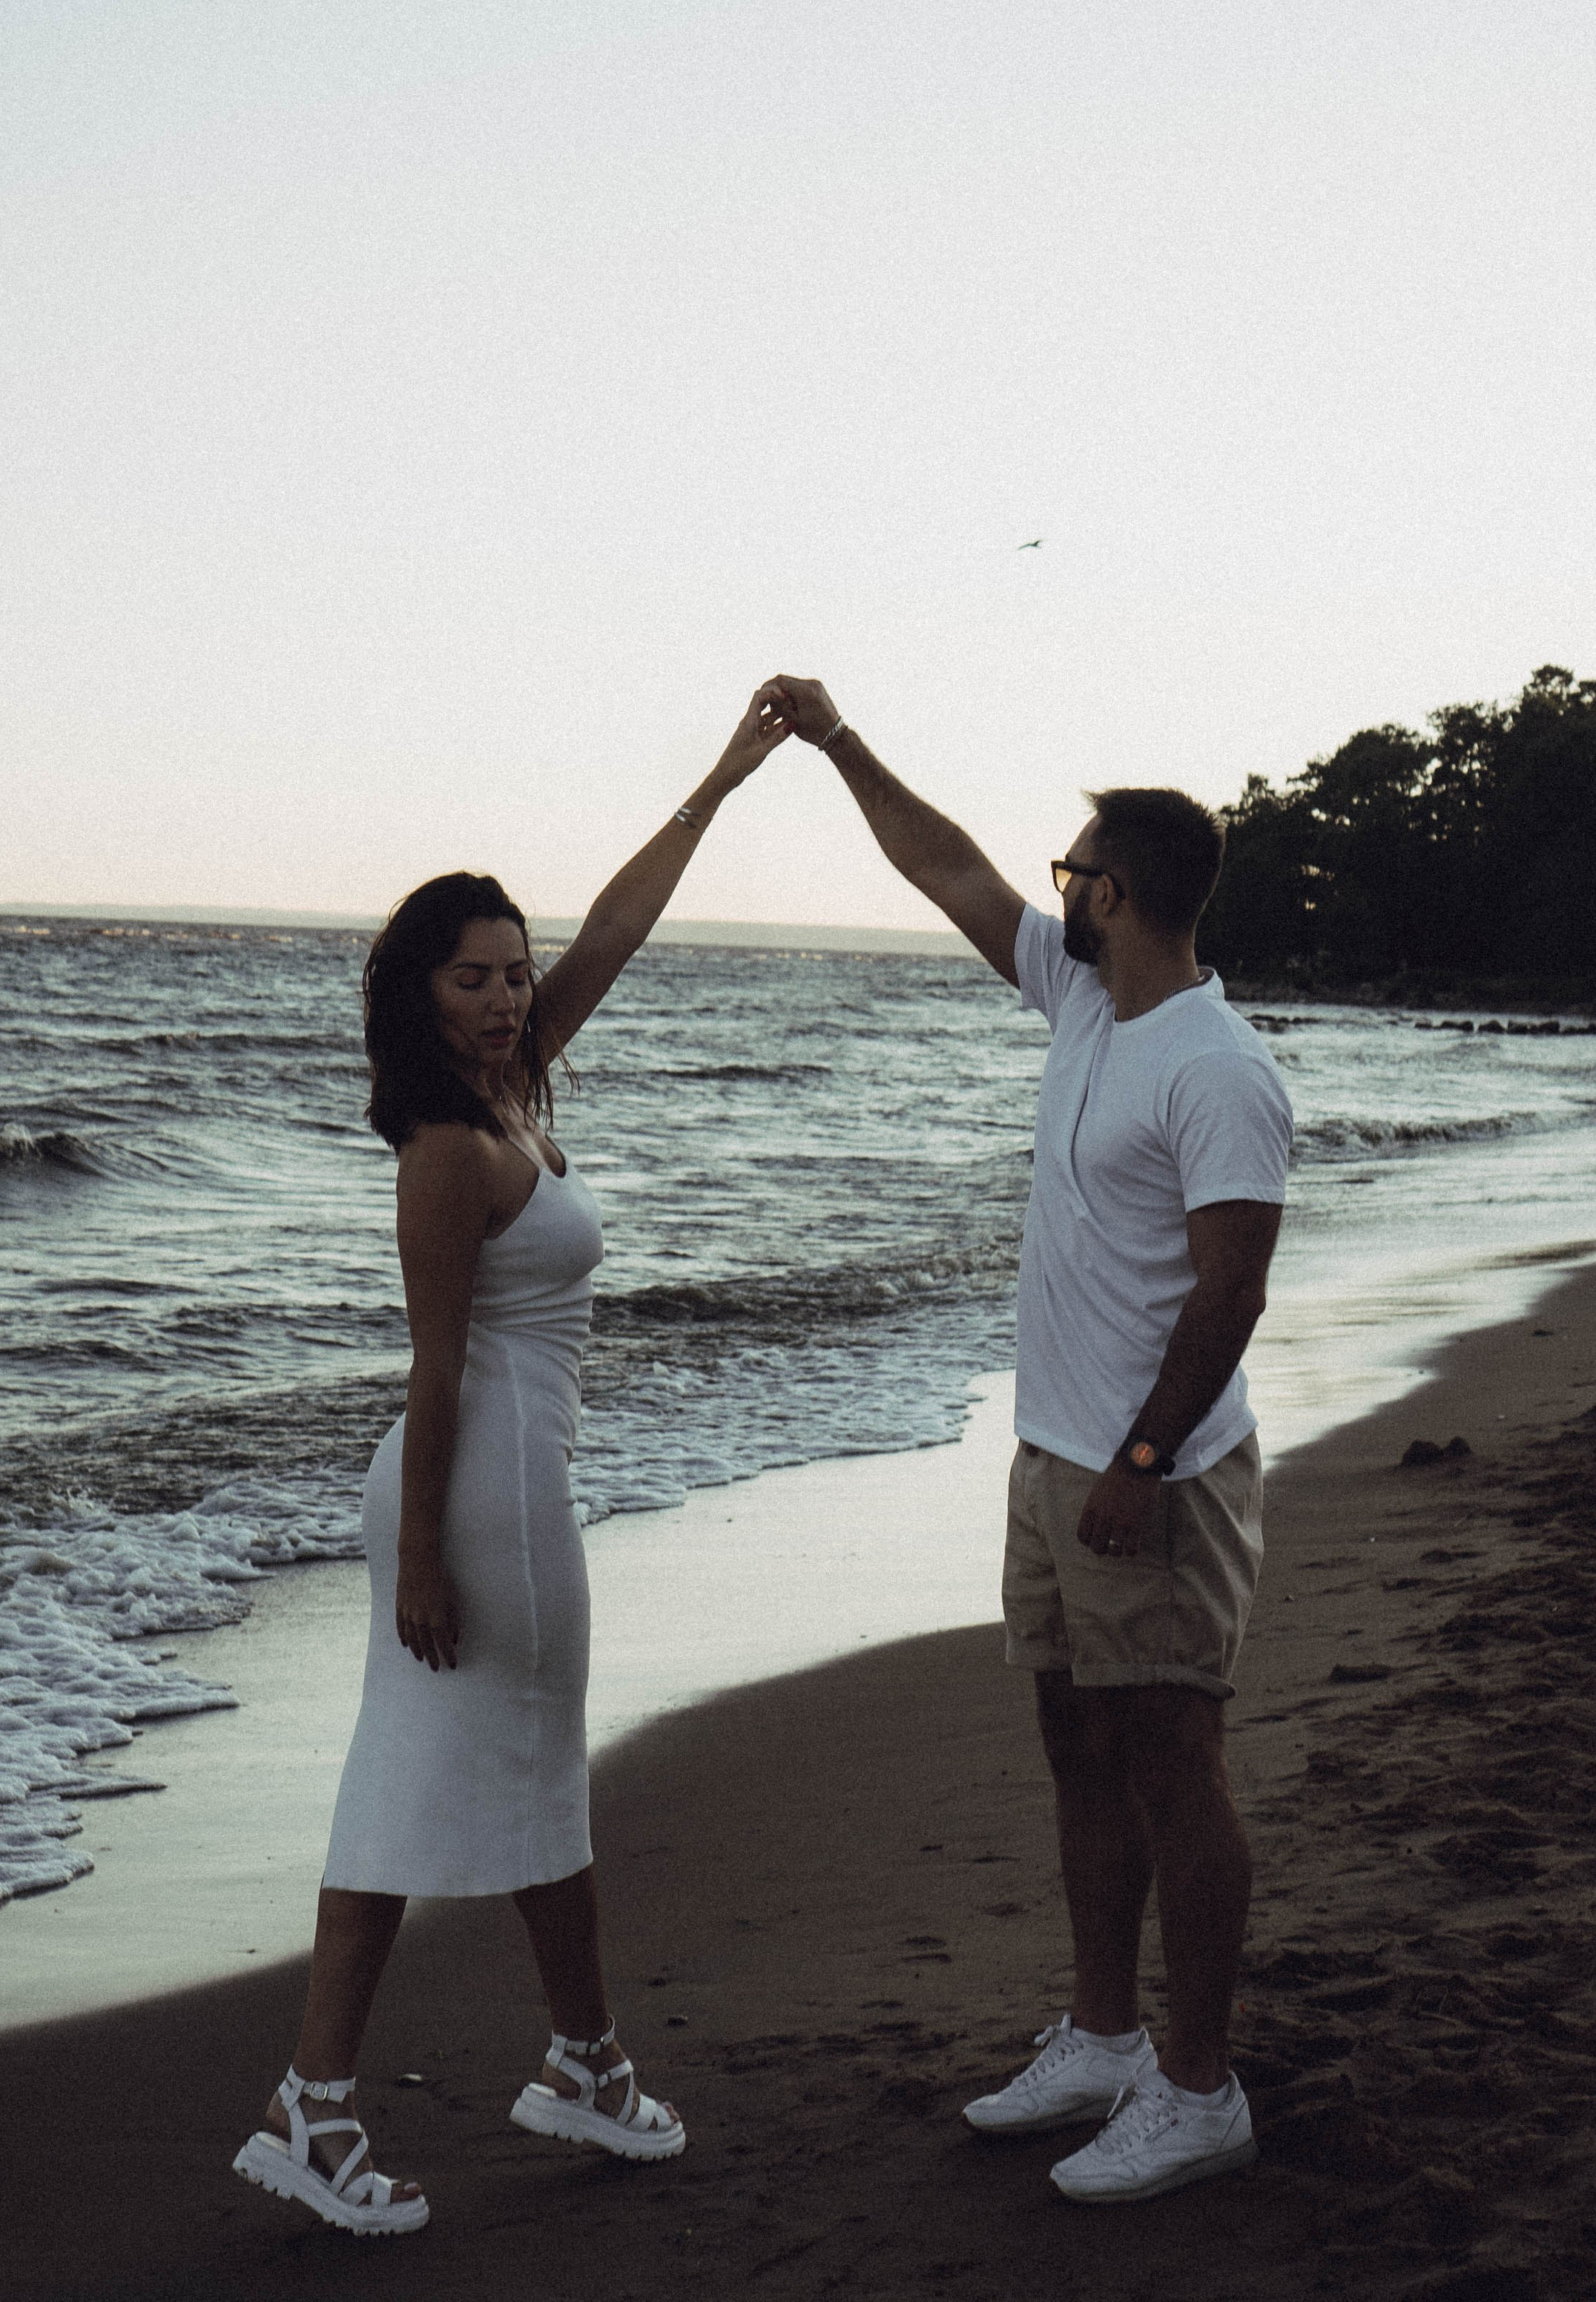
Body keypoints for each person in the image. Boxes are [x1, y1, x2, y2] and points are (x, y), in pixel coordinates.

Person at [234, 690, 790, 2236]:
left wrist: (723, 777)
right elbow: (433, 1364)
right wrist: (420, 1556)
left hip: (508, 1482)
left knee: (516, 1775)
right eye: (471, 977)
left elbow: (617, 925)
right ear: (418, 994)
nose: (502, 994)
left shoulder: (513, 1091)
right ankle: (335, 2103)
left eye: (512, 971)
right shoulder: (445, 1148)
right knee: (435, 1782)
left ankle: (571, 2063)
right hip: (473, 1490)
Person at [761, 677, 1293, 2207]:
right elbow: (941, 867)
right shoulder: (1081, 1002)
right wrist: (838, 743)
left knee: (1173, 1762)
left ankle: (1199, 2089)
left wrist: (1137, 1465)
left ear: (1114, 893)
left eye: (1068, 873)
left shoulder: (1215, 1067)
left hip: (1157, 1476)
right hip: (1052, 1457)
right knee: (1076, 1747)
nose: (1048, 889)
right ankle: (1105, 2037)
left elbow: (1230, 1292)